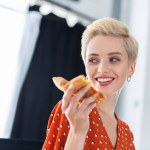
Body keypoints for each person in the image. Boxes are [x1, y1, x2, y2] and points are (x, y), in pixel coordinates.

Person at [42, 17, 138, 150]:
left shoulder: (126, 133)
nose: (102, 69)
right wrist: (77, 132)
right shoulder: (71, 110)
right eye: (93, 60)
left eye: (114, 59)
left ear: (131, 69)